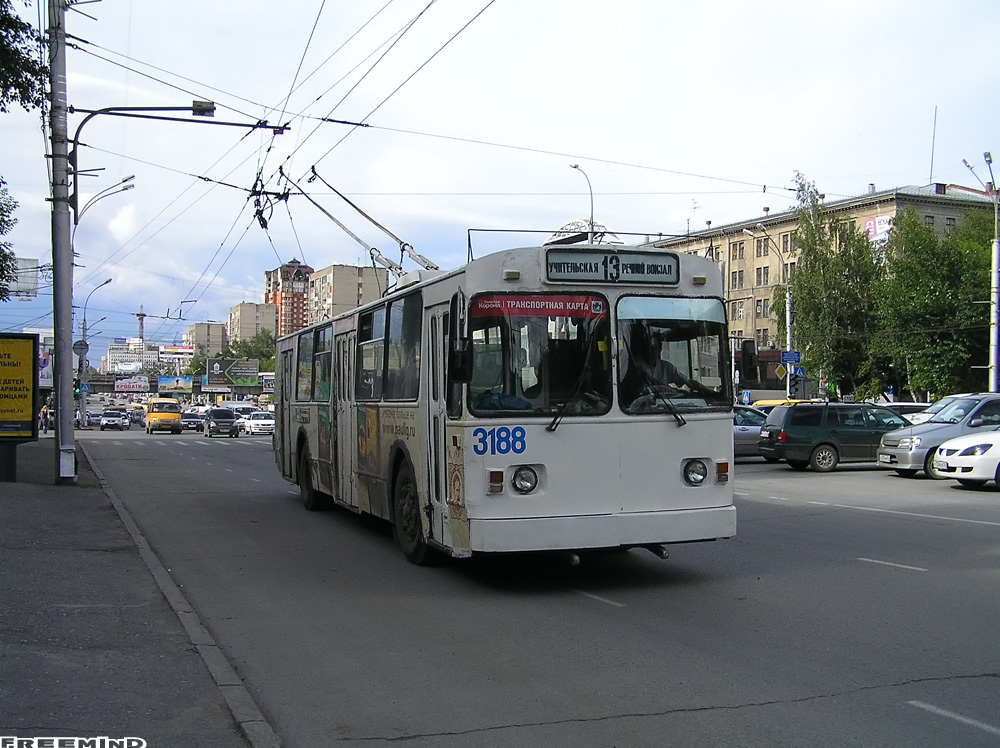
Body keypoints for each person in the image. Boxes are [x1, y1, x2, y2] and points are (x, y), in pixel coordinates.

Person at [643, 332, 717, 397]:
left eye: (655, 348)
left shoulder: (666, 367)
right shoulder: (637, 366)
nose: (652, 351)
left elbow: (688, 382)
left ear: (660, 350)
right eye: (650, 348)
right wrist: (663, 387)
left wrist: (713, 393)